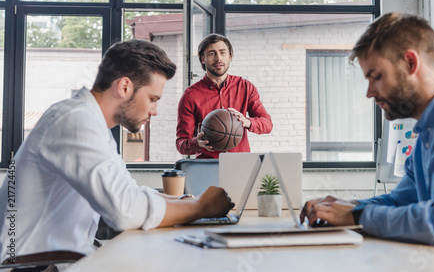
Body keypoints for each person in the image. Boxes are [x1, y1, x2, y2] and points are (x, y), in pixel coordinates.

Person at [0, 39, 234, 263]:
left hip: (60, 259)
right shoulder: (76, 120)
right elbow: (125, 211)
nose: (155, 111)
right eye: (152, 99)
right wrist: (201, 207)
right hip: (32, 265)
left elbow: (128, 191)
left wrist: (184, 201)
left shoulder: (92, 122)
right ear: (124, 87)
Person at [300, 13, 434, 269]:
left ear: (410, 62)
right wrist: (342, 206)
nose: (369, 92)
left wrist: (356, 215)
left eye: (376, 76)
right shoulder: (430, 130)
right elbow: (400, 201)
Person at [176, 33, 273, 158]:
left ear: (229, 56)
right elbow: (181, 144)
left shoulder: (245, 87)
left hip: (240, 165)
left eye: (223, 53)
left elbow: (267, 124)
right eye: (212, 53)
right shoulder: (190, 96)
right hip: (207, 167)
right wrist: (197, 143)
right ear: (202, 59)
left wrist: (247, 121)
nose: (218, 58)